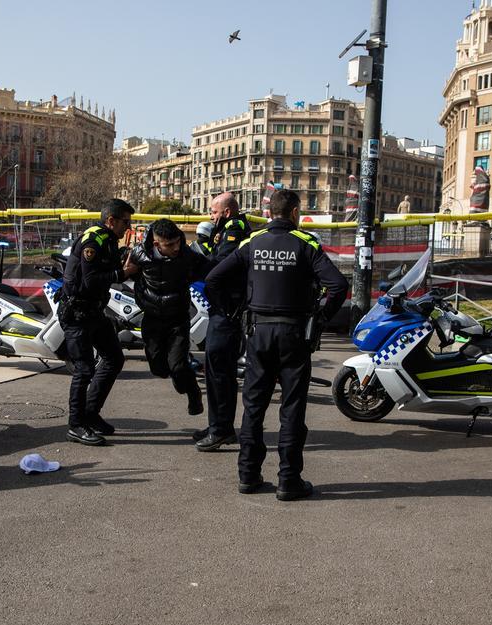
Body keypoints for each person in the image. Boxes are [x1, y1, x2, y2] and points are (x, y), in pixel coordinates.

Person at [205, 189, 348, 501]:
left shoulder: (251, 242)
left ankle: (248, 475)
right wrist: (320, 318)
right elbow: (338, 285)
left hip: (258, 332)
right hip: (294, 334)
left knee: (254, 405)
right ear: (295, 213)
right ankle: (288, 480)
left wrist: (231, 312)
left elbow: (213, 278)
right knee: (292, 407)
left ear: (269, 212)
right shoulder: (306, 243)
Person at [60, 198, 138, 446]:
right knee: (84, 369)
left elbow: (109, 270)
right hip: (77, 313)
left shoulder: (109, 240)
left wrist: (124, 260)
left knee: (114, 358)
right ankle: (76, 425)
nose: (128, 226)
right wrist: (123, 273)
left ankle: (91, 414)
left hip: (94, 312)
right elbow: (91, 281)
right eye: (125, 222)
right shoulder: (93, 239)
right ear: (111, 220)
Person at [128, 218, 213, 418]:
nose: (176, 248)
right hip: (152, 318)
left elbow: (209, 270)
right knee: (159, 368)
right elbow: (127, 270)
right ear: (157, 244)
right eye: (170, 245)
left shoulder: (186, 255)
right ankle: (177, 376)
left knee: (179, 365)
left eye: (178, 242)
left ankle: (193, 393)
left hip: (178, 319)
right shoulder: (140, 254)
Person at [194, 192, 252, 451]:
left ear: (227, 212)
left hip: (227, 312)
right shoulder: (227, 229)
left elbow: (219, 264)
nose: (210, 216)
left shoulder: (235, 228)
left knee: (218, 372)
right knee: (218, 372)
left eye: (213, 212)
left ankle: (220, 430)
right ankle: (220, 426)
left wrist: (197, 257)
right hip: (223, 311)